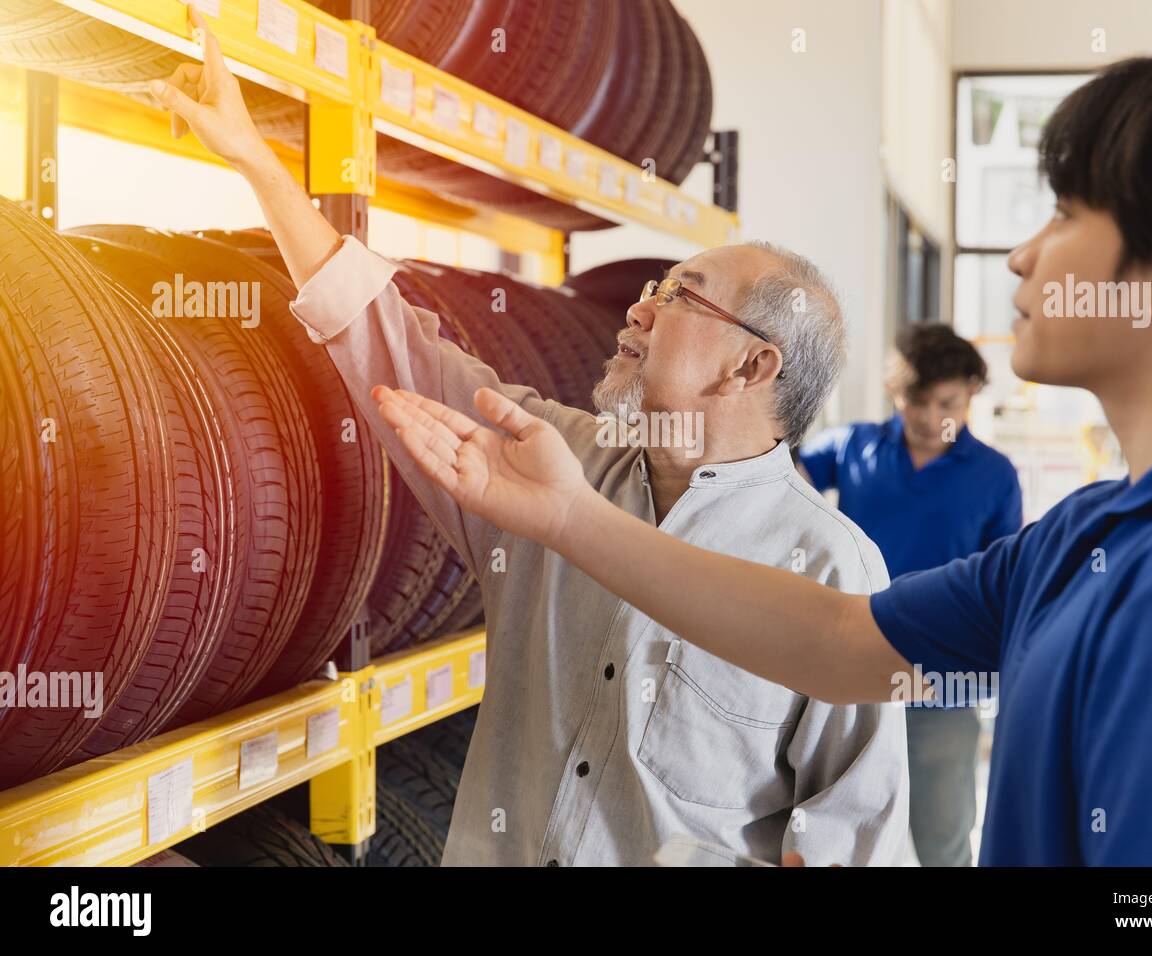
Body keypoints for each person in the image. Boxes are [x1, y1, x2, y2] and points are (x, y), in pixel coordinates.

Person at [372, 54, 1152, 865]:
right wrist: (570, 517)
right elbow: (832, 640)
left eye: (1062, 214)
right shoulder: (1089, 533)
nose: (1021, 256)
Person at [149, 5, 908, 865]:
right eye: (652, 283)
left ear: (752, 368)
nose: (637, 306)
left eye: (681, 296)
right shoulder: (551, 462)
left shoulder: (833, 576)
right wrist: (255, 160)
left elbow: (852, 844)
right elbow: (391, 344)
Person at [799, 324, 1022, 866]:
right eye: (915, 402)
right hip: (846, 672)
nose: (928, 418)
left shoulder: (996, 477)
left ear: (971, 392)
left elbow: (1006, 592)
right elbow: (782, 470)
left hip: (941, 683)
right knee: (830, 831)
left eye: (945, 402)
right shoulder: (855, 447)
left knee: (943, 837)